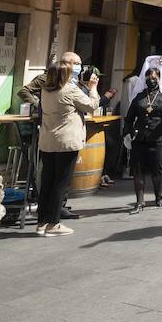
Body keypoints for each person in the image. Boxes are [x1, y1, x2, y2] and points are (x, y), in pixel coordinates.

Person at [37, 54, 99, 236]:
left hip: (47, 141)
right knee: (60, 183)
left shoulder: (46, 90)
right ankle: (54, 223)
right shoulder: (69, 90)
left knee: (47, 182)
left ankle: (42, 221)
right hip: (66, 142)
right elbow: (92, 105)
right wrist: (93, 88)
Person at [123, 64, 162, 213]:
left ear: (159, 79)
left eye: (154, 77)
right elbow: (129, 117)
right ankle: (140, 201)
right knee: (138, 170)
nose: (151, 79)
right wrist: (127, 133)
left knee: (156, 170)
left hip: (156, 138)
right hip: (139, 138)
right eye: (148, 77)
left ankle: (158, 195)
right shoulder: (139, 97)